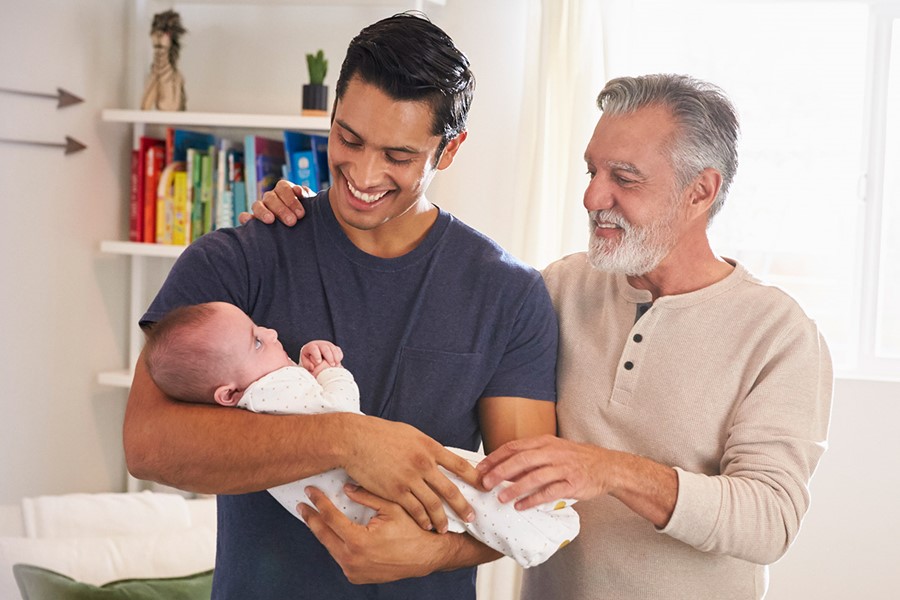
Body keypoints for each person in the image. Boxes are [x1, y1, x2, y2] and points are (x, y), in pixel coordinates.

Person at [252, 73, 834, 599]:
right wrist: (325, 213)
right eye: (592, 171)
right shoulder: (561, 287)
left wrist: (611, 470)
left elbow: (772, 519)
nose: (592, 197)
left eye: (624, 178)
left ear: (700, 192)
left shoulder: (778, 335)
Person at [123, 12, 559, 599]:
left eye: (399, 156)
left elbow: (529, 504)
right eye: (349, 139)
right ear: (330, 118)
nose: (364, 172)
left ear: (449, 150)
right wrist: (347, 440)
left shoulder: (509, 293)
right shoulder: (239, 260)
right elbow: (148, 445)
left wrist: (433, 553)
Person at [142, 301, 579, 569]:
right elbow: (344, 417)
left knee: (457, 505)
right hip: (363, 487)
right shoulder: (276, 387)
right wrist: (331, 371)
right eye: (258, 341)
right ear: (229, 392)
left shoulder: (248, 403)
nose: (272, 333)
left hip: (345, 509)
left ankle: (535, 525)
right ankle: (536, 530)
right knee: (464, 487)